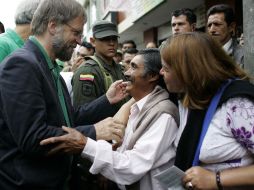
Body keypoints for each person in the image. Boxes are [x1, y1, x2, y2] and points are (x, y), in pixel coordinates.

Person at [0, 0, 127, 189]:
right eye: (75, 32)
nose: (78, 41)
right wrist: (93, 132)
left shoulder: (49, 67)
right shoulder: (22, 65)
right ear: (53, 25)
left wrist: (106, 100)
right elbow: (34, 138)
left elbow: (68, 119)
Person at [40, 48, 179, 190]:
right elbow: (121, 150)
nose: (126, 73)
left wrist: (85, 144)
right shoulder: (137, 106)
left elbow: (131, 167)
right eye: (128, 66)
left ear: (152, 76)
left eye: (133, 67)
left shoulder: (163, 115)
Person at [160, 32, 254, 190]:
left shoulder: (238, 105)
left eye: (166, 68)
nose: (161, 73)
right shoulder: (193, 96)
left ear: (187, 71)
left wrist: (216, 179)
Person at [72, 20, 126, 109]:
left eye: (114, 39)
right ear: (93, 41)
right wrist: (107, 100)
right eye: (105, 39)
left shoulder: (121, 69)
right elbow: (80, 114)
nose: (111, 43)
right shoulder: (87, 71)